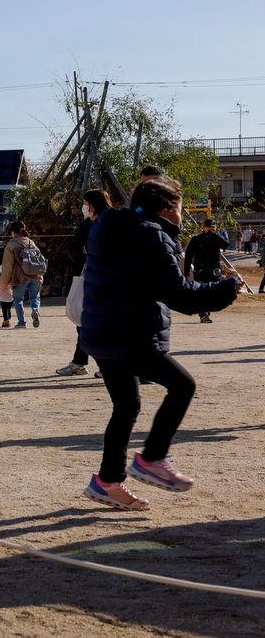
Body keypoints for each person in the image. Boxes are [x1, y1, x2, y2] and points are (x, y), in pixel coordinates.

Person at [80, 178, 242, 511]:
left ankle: (108, 482)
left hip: (100, 333)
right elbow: (180, 295)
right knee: (183, 385)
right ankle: (152, 458)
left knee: (126, 407)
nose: (183, 217)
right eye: (181, 209)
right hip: (130, 335)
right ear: (167, 209)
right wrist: (225, 290)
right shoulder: (151, 236)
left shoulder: (109, 225)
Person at [55, 189, 113, 375]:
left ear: (94, 204)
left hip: (103, 281)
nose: (84, 207)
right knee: (85, 323)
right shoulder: (92, 223)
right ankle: (81, 362)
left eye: (86, 203)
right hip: (90, 278)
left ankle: (109, 364)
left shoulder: (107, 223)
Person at [183, 218, 229, 323]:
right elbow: (188, 255)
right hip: (201, 270)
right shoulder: (196, 239)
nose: (212, 229)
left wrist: (214, 235)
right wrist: (186, 271)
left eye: (213, 228)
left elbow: (226, 245)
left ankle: (206, 313)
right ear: (204, 228)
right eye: (209, 227)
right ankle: (204, 315)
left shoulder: (216, 238)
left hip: (214, 270)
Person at [0, 220, 42, 328]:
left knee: (18, 299)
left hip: (21, 276)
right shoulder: (30, 242)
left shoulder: (11, 245)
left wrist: (5, 280)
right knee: (35, 297)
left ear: (13, 232)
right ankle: (35, 311)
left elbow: (7, 265)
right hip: (36, 274)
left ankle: (22, 323)